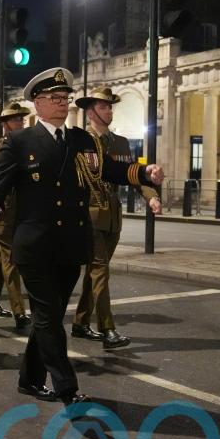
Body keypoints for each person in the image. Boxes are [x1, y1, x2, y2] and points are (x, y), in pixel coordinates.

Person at [0, 68, 165, 406]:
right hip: (35, 244)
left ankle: (29, 379)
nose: (62, 104)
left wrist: (143, 172)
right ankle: (67, 388)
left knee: (52, 316)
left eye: (65, 98)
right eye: (55, 99)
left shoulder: (81, 140)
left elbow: (110, 170)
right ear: (37, 104)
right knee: (46, 315)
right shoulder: (20, 142)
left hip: (72, 242)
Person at [72, 87, 161, 349]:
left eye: (110, 106)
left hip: (113, 217)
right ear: (90, 112)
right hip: (89, 214)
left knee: (94, 272)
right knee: (100, 270)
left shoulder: (120, 143)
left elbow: (131, 173)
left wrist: (150, 196)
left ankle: (79, 322)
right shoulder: (82, 141)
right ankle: (107, 329)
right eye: (103, 107)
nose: (109, 111)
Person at [0, 103, 33, 330]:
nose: (20, 123)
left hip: (23, 210)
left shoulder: (30, 146)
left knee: (5, 256)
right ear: (4, 125)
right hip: (2, 210)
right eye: (15, 120)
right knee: (12, 258)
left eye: (21, 120)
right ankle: (19, 312)